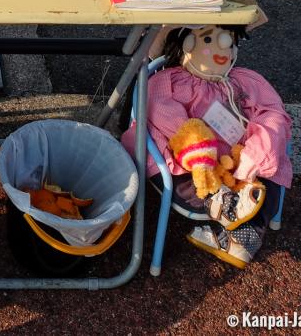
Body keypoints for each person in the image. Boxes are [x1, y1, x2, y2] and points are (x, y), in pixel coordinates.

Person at [122, 25, 292, 268]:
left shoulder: (245, 80)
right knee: (165, 155)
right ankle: (222, 204)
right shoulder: (168, 79)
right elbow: (159, 110)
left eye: (228, 40)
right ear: (186, 44)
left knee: (271, 158)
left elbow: (273, 113)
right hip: (194, 165)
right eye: (209, 39)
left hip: (243, 160)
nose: (223, 48)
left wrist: (253, 156)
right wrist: (197, 145)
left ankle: (244, 234)